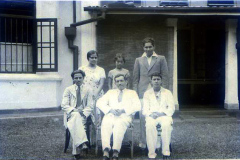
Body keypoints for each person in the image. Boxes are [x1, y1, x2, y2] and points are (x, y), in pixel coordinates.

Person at [133, 37, 169, 149]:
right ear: (143, 48)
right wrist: (135, 94)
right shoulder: (138, 60)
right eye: (146, 47)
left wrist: (165, 93)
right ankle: (144, 141)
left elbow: (165, 76)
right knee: (144, 117)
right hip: (143, 91)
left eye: (150, 47)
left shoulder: (160, 59)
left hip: (157, 91)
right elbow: (135, 79)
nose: (148, 49)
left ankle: (157, 141)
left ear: (154, 47)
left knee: (157, 115)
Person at [96, 74, 141, 160]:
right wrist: (110, 110)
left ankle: (116, 151)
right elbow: (99, 102)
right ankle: (106, 150)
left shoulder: (132, 93)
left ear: (126, 82)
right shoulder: (110, 92)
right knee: (106, 123)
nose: (119, 83)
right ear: (115, 83)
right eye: (117, 81)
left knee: (119, 124)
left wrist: (123, 110)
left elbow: (137, 105)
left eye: (121, 81)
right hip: (111, 114)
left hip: (124, 115)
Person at [61, 70, 94, 160]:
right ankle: (83, 143)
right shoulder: (68, 89)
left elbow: (90, 105)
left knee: (76, 121)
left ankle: (76, 151)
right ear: (73, 79)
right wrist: (75, 110)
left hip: (83, 115)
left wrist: (82, 112)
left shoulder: (88, 89)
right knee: (75, 116)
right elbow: (64, 105)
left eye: (80, 77)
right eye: (76, 78)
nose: (78, 79)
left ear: (83, 78)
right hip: (71, 114)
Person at [143, 72, 175, 159]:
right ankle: (152, 152)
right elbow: (145, 109)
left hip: (164, 115)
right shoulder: (147, 93)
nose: (156, 81)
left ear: (161, 81)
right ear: (151, 82)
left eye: (158, 79)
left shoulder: (167, 92)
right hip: (152, 115)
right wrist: (151, 114)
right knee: (149, 125)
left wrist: (162, 113)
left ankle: (166, 152)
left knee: (166, 125)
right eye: (154, 79)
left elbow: (171, 108)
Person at [79, 50, 106, 144]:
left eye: (95, 57)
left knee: (97, 116)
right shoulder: (82, 69)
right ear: (88, 58)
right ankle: (84, 141)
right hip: (85, 95)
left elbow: (102, 83)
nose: (94, 59)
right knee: (84, 116)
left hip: (97, 95)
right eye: (92, 57)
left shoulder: (101, 70)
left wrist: (95, 93)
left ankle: (95, 142)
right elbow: (80, 82)